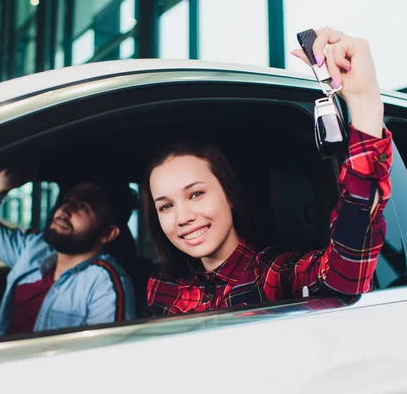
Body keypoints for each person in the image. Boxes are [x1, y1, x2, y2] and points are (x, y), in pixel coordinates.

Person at [143, 27, 393, 315]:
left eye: (196, 193)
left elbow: (344, 271)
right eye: (166, 206)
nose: (183, 217)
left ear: (230, 195)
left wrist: (363, 102)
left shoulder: (273, 276)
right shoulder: (161, 287)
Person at [0, 164, 137, 335]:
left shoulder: (104, 284)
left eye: (83, 207)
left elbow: (105, 356)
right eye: (67, 200)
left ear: (107, 233)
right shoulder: (34, 249)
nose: (65, 209)